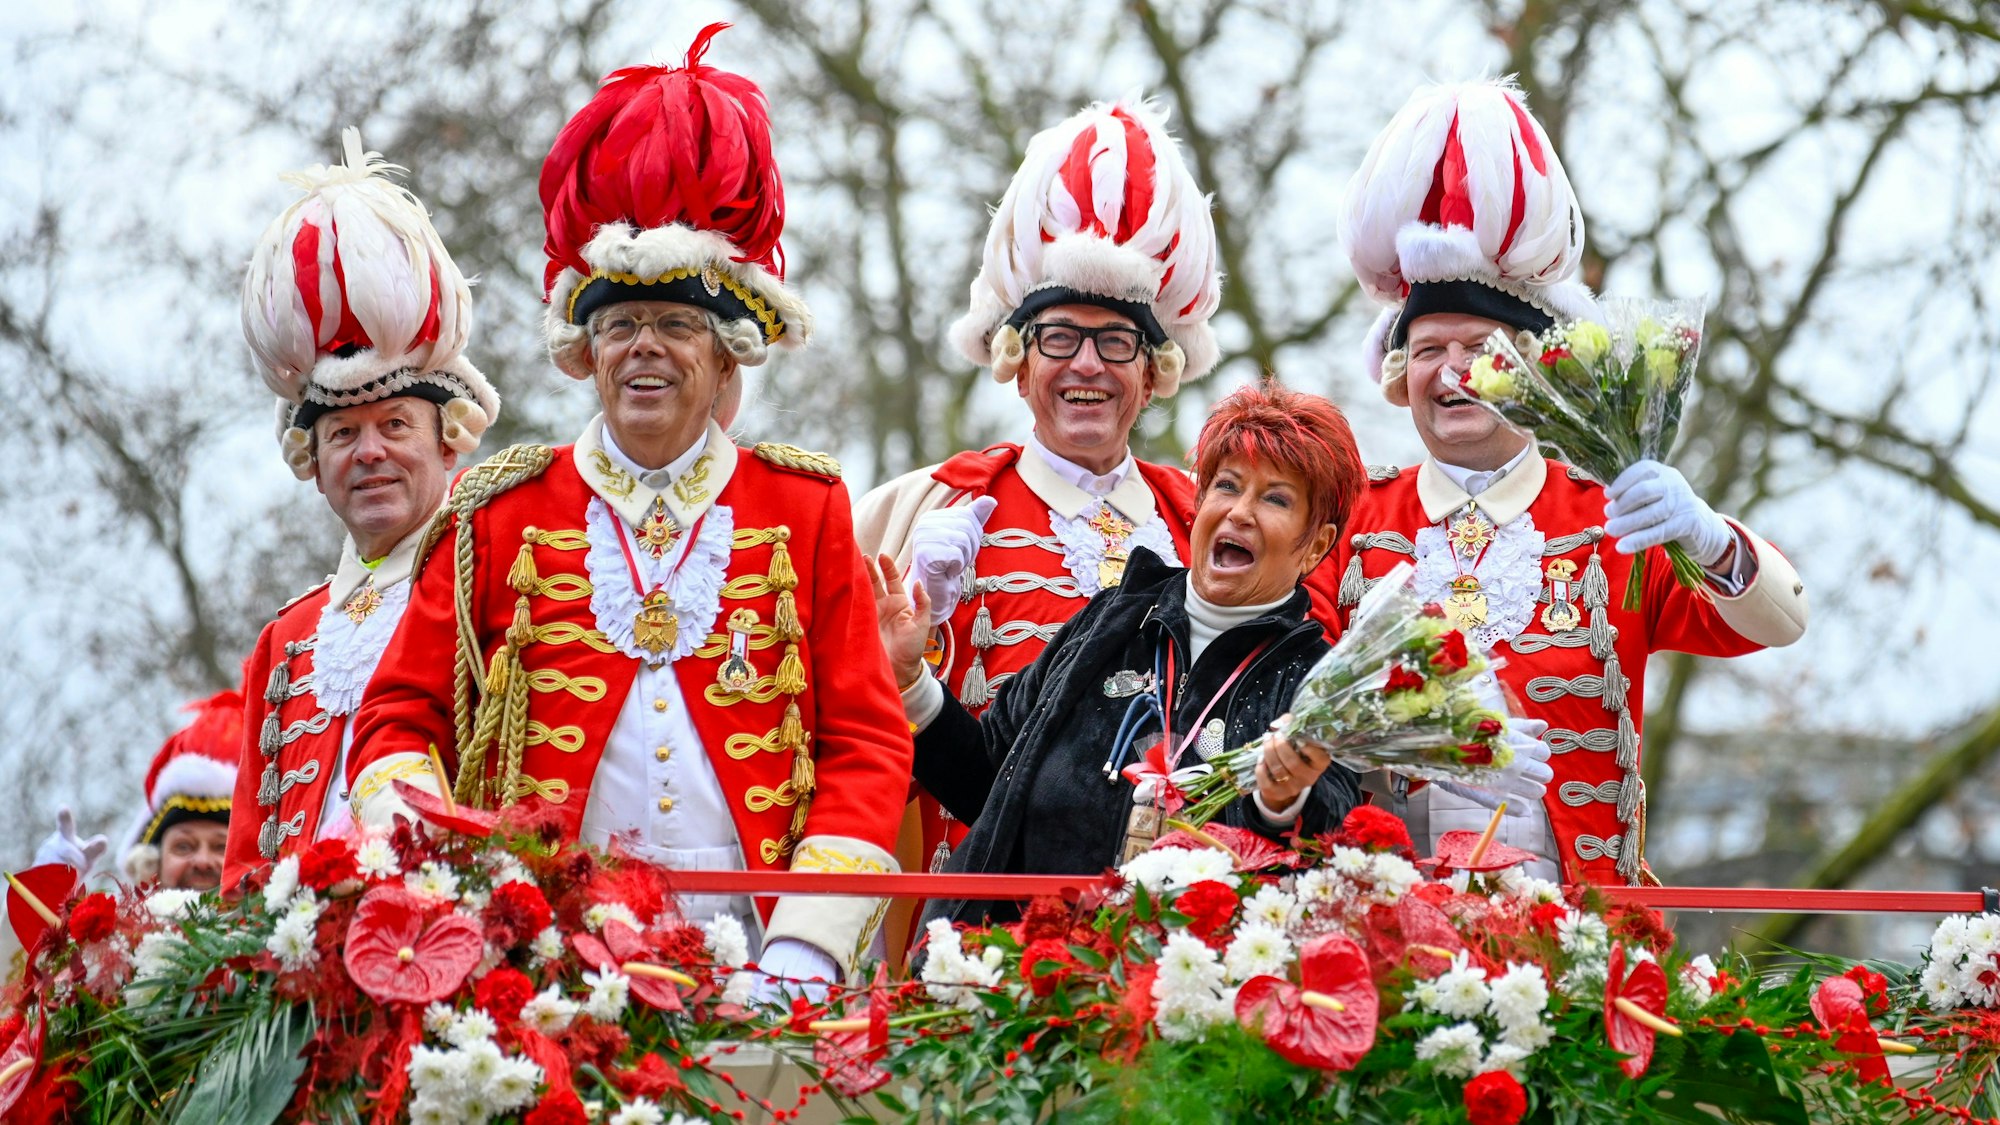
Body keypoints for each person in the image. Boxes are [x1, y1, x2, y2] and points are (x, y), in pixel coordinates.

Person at [347, 27, 912, 989]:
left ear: (728, 351)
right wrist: (456, 892)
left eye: (675, 324)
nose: (643, 348)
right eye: (619, 325)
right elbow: (400, 719)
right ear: (586, 349)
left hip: (767, 958)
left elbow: (863, 741)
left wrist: (808, 947)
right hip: (552, 962)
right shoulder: (499, 512)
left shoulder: (804, 504)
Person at [1328, 79, 1809, 885]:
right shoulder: (1349, 515)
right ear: (1398, 367)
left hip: (1576, 954)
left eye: (1479, 347)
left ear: (1533, 369)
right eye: (1429, 347)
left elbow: (1781, 622)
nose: (1451, 373)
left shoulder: (1609, 518)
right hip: (1383, 941)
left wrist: (1706, 535)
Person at [853, 97, 1220, 904]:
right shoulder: (916, 509)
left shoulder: (1204, 516)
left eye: (1114, 341)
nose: (1085, 365)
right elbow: (849, 733)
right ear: (1018, 361)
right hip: (980, 916)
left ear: (1152, 372)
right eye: (1059, 337)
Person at [871, 383, 1368, 928]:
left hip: (1199, 991)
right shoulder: (1109, 618)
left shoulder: (1322, 679)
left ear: (1316, 546)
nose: (1240, 513)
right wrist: (909, 677)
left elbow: (1332, 844)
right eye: (1227, 486)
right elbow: (989, 782)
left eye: (1275, 498)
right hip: (1021, 974)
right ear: (1200, 504)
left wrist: (1283, 798)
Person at [219, 129, 502, 888]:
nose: (369, 452)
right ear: (313, 466)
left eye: (395, 426)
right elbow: (247, 860)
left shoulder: (504, 590)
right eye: (343, 434)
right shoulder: (286, 638)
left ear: (451, 441)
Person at [108, 691, 244, 891]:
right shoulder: (113, 923)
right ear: (151, 866)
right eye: (183, 847)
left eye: (221, 847)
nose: (202, 862)